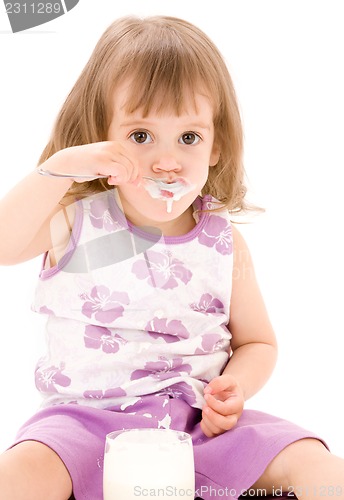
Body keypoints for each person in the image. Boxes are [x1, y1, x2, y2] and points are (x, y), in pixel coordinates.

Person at [0, 14, 343, 500]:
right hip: (82, 424)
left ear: (217, 145)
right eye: (141, 136)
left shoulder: (223, 242)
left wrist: (234, 388)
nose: (167, 161)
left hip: (196, 428)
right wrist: (56, 170)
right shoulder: (74, 219)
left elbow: (258, 343)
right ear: (102, 136)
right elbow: (3, 244)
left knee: (318, 465)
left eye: (189, 138)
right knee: (18, 474)